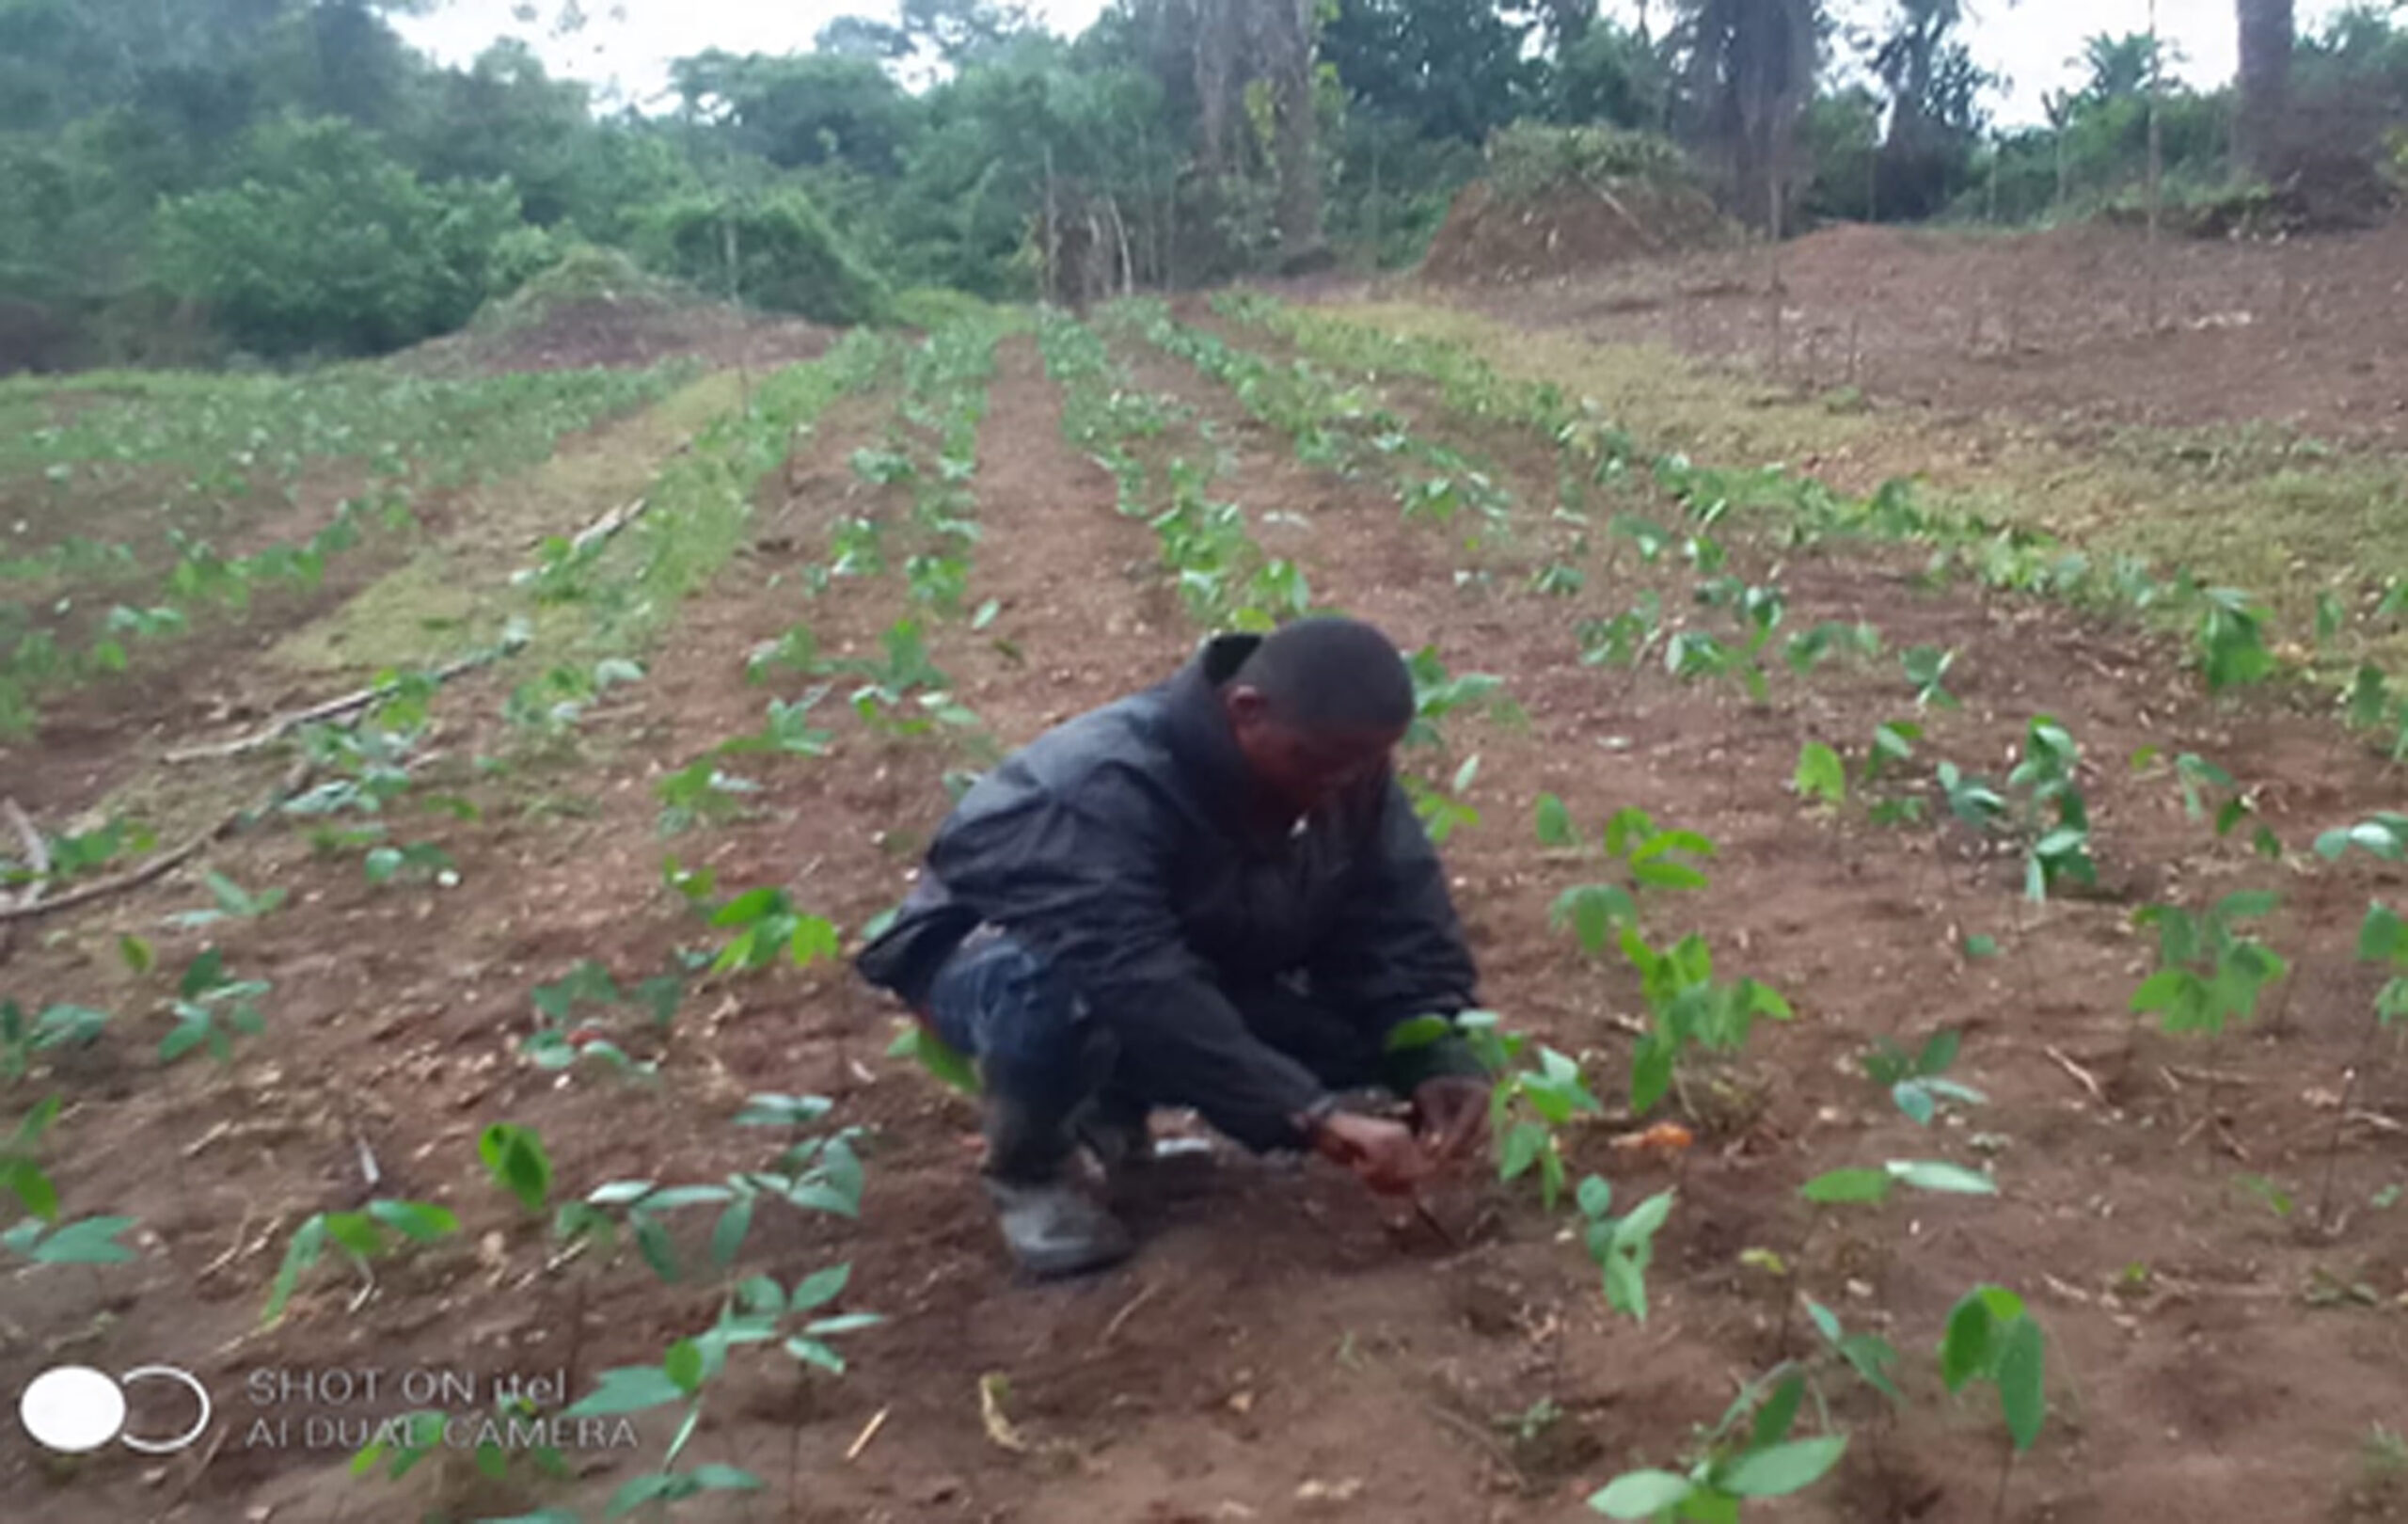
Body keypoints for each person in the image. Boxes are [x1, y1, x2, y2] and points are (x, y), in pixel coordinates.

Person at [853, 616, 1495, 1278]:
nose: (1344, 784)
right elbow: (1132, 976)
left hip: (1180, 953)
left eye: (1366, 764)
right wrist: (1311, 1114)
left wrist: (1430, 1047)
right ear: (1246, 712)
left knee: (1355, 1037)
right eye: (1324, 763)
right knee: (1059, 992)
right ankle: (1032, 1170)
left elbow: (1401, 914)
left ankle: (1109, 1113)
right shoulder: (1095, 787)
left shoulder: (1340, 767)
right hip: (994, 966)